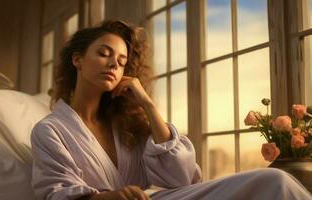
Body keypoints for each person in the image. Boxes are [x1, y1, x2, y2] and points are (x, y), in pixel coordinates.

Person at [30, 20, 312, 200]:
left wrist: (148, 105)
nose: (114, 64)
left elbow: (180, 180)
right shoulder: (51, 130)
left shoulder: (127, 124)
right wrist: (110, 197)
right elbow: (56, 192)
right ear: (77, 59)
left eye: (122, 60)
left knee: (274, 181)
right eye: (104, 53)